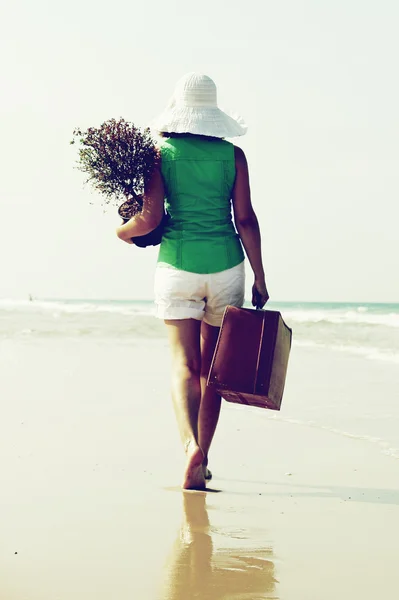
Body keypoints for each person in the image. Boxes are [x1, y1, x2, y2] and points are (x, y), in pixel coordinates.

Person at [116, 73, 269, 490]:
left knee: (184, 365)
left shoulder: (159, 153)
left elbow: (148, 219)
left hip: (178, 268)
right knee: (212, 372)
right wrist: (260, 276)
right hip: (226, 269)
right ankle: (204, 454)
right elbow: (246, 219)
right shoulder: (233, 156)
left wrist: (121, 232)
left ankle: (189, 450)